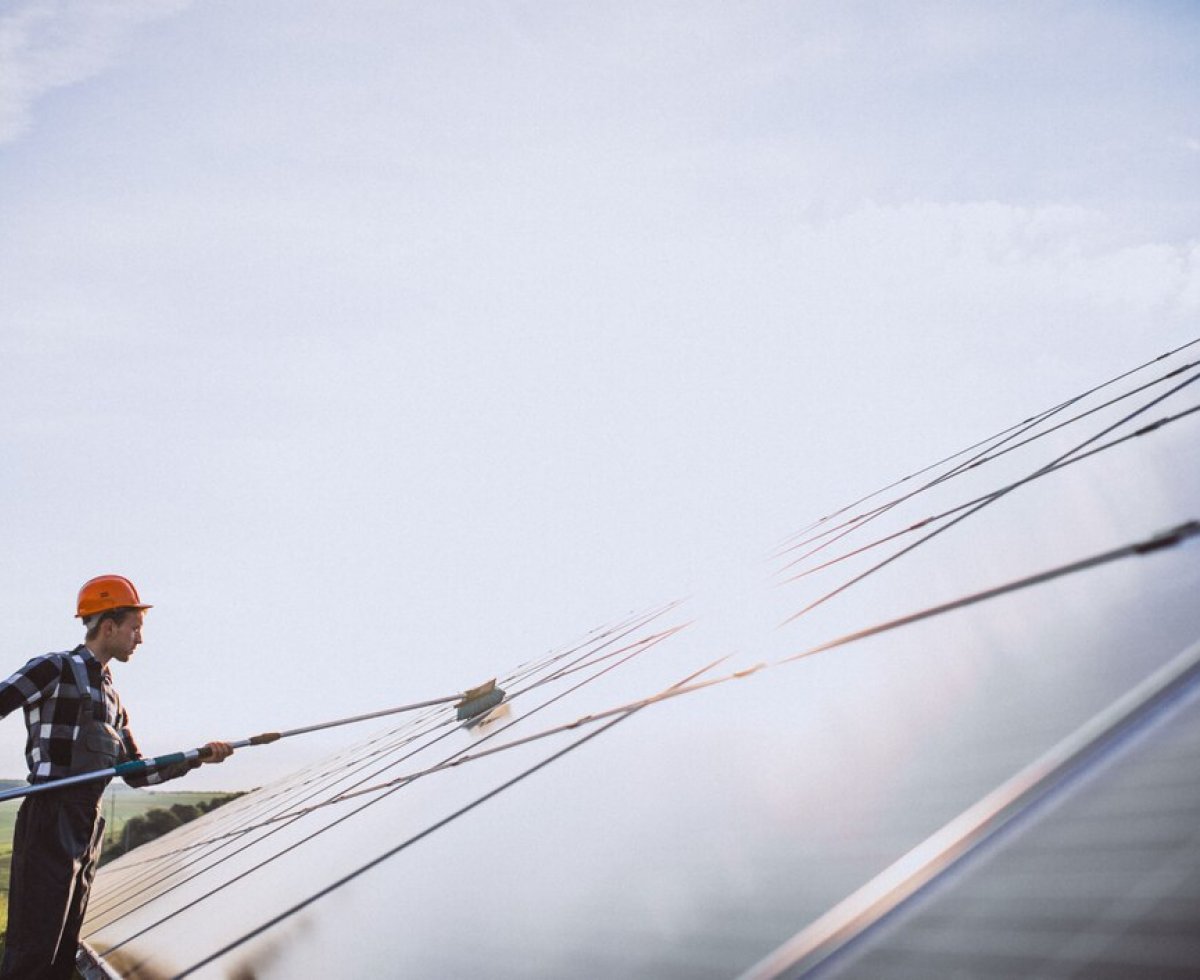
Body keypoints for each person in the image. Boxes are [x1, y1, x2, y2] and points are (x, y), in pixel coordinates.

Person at [0, 575, 234, 980]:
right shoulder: (53, 668)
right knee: (34, 950)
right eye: (135, 628)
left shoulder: (113, 699)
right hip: (49, 816)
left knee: (62, 951)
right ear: (108, 625)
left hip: (88, 825)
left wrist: (197, 757)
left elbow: (137, 773)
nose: (139, 640)